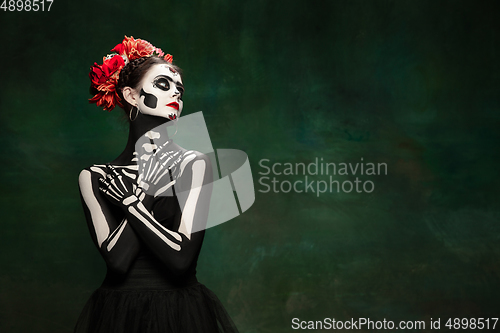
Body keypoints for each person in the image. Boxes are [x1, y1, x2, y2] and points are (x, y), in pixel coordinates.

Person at [74, 36, 239, 333]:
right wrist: (147, 190)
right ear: (131, 95)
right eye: (163, 84)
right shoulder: (95, 176)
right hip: (117, 314)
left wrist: (133, 202)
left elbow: (180, 261)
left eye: (179, 89)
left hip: (180, 313)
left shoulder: (193, 164)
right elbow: (117, 262)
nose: (175, 92)